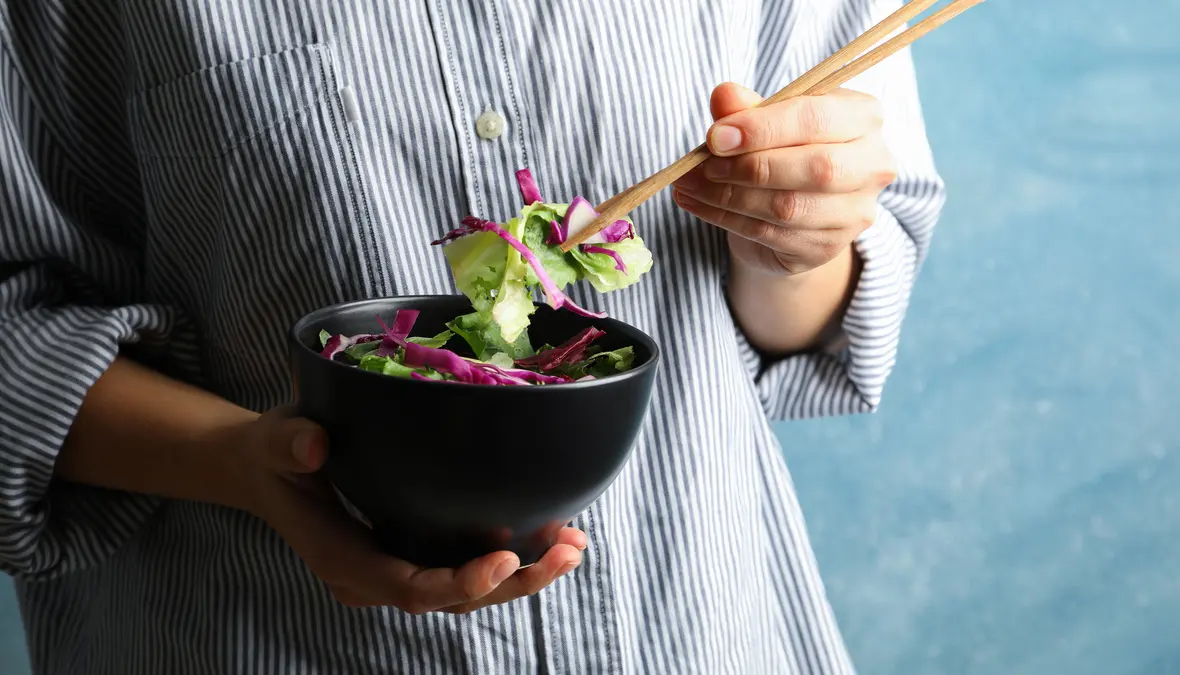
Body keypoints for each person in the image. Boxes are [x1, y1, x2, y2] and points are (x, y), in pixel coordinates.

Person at [0, 1, 944, 673]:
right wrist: (239, 459)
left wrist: (799, 242)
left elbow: (832, 304)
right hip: (246, 630)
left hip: (700, 619)